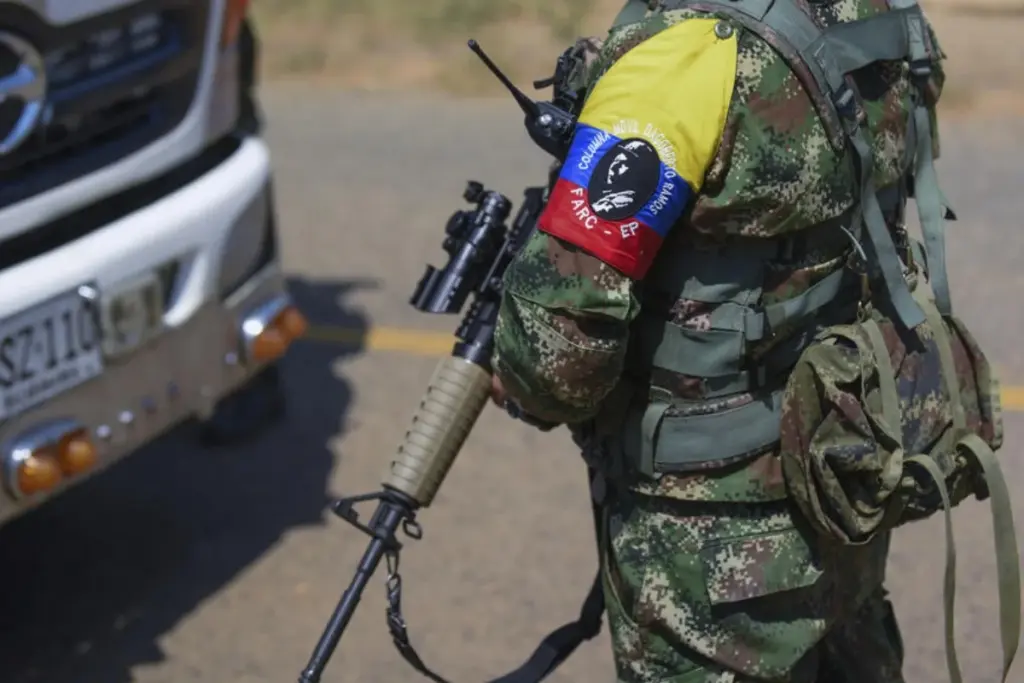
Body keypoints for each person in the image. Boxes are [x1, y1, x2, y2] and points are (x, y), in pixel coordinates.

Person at [485, 0, 1008, 681]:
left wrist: (515, 376)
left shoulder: (680, 62)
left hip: (706, 538)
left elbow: (559, 352)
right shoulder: (880, 18)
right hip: (841, 470)